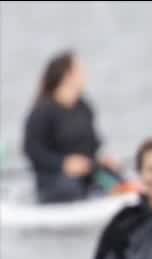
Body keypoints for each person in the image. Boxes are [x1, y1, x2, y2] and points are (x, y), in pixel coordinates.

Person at [22, 50, 122, 204]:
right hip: (54, 179)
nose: (86, 75)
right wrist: (63, 164)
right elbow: (32, 151)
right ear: (67, 76)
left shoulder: (84, 106)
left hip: (87, 173)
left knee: (117, 179)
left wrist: (102, 160)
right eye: (81, 71)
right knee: (70, 189)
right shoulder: (41, 112)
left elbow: (93, 143)